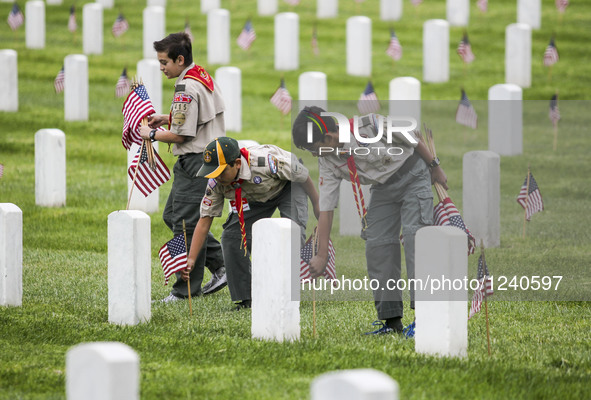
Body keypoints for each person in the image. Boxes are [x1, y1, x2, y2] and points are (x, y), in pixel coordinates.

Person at [291, 106, 448, 334]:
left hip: (413, 174)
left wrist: (435, 167)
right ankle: (391, 321)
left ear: (328, 136)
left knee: (416, 240)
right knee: (378, 245)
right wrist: (322, 255)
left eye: (314, 149)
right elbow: (326, 207)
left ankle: (425, 320)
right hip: (383, 189)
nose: (315, 155)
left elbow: (413, 139)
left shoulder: (370, 126)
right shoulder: (328, 160)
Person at [183, 137, 320, 310]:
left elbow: (303, 176)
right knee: (231, 237)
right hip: (254, 198)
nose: (216, 176)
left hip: (288, 187)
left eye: (221, 171)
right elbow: (204, 222)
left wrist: (316, 204)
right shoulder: (217, 183)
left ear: (237, 163)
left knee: (293, 233)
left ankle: (286, 293)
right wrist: (191, 259)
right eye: (212, 172)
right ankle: (247, 298)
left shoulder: (266, 163)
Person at [139, 32, 226, 302]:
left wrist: (150, 134)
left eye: (164, 62)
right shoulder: (200, 75)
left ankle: (185, 291)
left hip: (196, 161)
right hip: (207, 156)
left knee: (185, 225)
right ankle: (222, 264)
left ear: (179, 59)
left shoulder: (185, 88)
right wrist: (167, 117)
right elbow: (198, 117)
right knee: (172, 216)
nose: (161, 67)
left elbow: (182, 135)